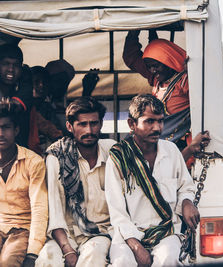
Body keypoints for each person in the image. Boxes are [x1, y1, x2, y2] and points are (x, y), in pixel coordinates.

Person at [105, 94, 199, 267]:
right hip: (128, 235)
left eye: (160, 121)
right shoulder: (118, 158)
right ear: (132, 124)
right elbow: (117, 211)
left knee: (168, 260)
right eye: (149, 121)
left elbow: (186, 186)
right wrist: (136, 246)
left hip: (166, 232)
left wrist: (186, 202)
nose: (157, 128)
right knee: (122, 262)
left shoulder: (171, 151)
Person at [35, 97, 116, 267]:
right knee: (46, 259)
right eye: (82, 124)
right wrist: (67, 249)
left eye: (94, 123)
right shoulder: (57, 157)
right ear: (70, 127)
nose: (89, 130)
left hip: (100, 233)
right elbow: (55, 211)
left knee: (93, 257)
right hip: (65, 235)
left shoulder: (112, 152)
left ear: (101, 124)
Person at [123, 30, 210, 165]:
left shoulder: (184, 82)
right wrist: (134, 33)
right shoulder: (157, 81)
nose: (152, 70)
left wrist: (194, 71)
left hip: (178, 146)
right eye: (149, 66)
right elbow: (131, 58)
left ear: (169, 61)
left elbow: (205, 96)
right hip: (156, 144)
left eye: (156, 66)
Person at [0, 98, 48, 267]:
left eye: (5, 127)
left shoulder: (33, 162)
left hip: (23, 229)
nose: (0, 133)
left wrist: (33, 252)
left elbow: (39, 208)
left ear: (16, 130)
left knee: (7, 262)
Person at [0, 43, 33, 147]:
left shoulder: (25, 86)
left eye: (16, 65)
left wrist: (8, 105)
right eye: (6, 63)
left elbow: (14, 106)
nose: (11, 69)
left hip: (19, 152)